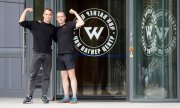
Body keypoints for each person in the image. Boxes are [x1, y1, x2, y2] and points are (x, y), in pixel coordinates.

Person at [19, 8, 56, 104]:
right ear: (43, 15)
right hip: (37, 53)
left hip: (48, 54)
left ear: (51, 16)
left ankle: (44, 96)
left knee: (46, 76)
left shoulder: (53, 28)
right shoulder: (35, 24)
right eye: (46, 14)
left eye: (50, 14)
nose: (48, 16)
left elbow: (59, 39)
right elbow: (21, 22)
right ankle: (29, 96)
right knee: (33, 75)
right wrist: (26, 11)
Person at [56, 9, 84, 103]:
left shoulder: (69, 24)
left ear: (65, 17)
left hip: (69, 54)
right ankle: (66, 97)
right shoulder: (56, 29)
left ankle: (74, 97)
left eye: (61, 16)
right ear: (56, 19)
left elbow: (81, 22)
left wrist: (75, 12)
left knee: (72, 75)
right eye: (58, 17)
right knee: (64, 77)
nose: (60, 18)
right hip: (60, 55)